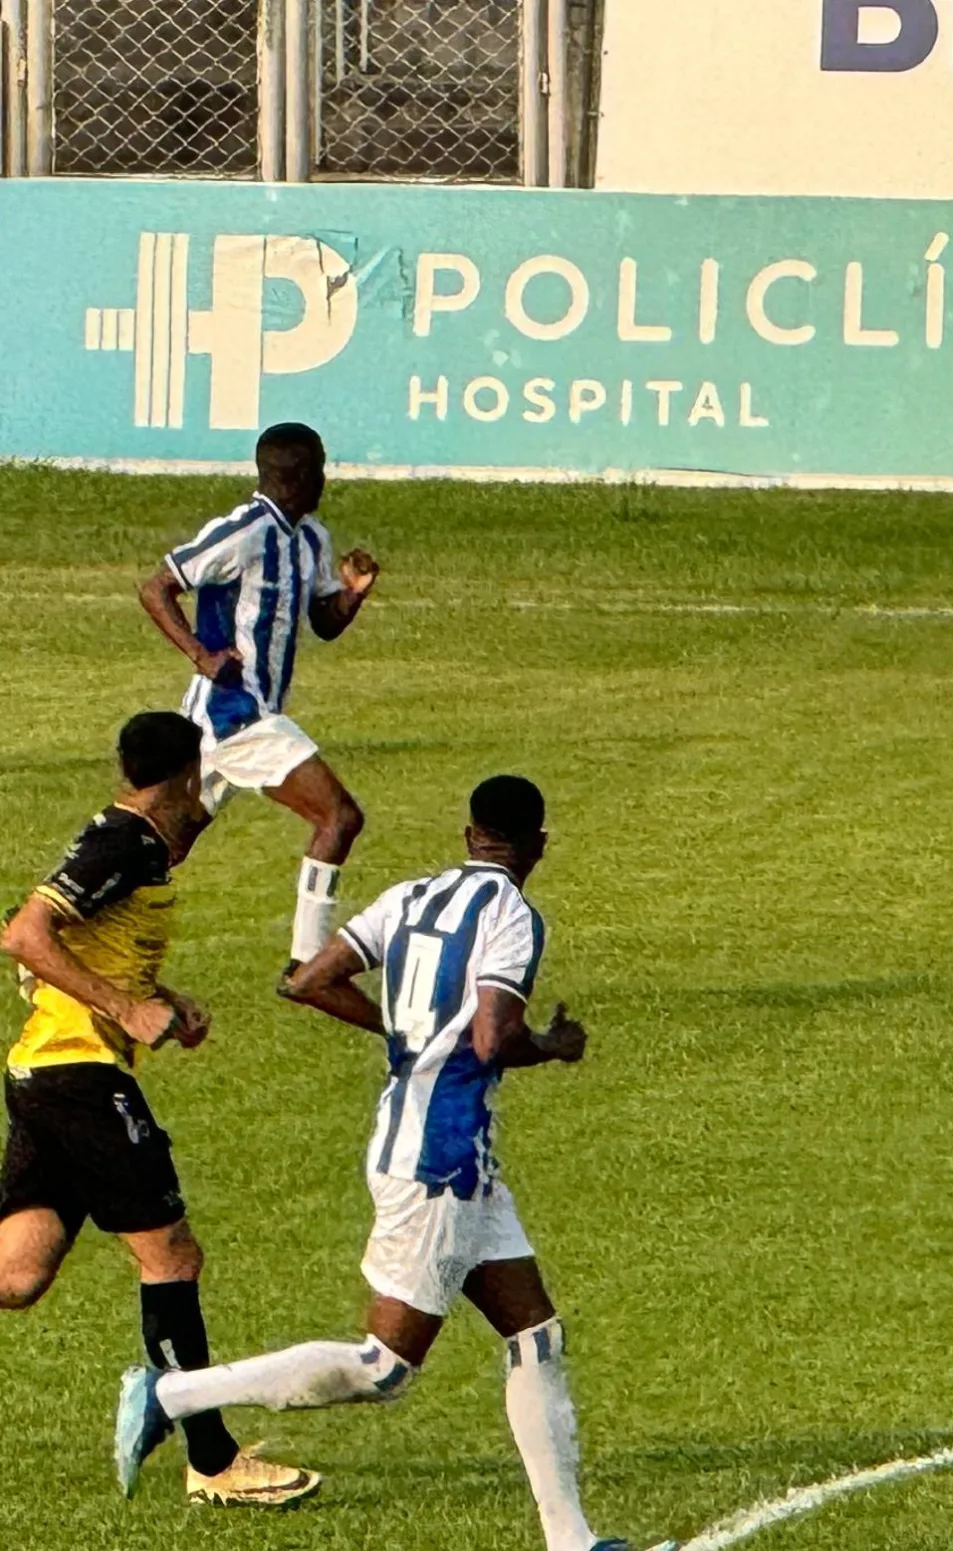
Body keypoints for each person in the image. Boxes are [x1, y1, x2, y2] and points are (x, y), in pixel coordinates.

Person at [115, 778, 649, 1551]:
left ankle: (572, 1540)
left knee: (535, 1335)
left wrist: (401, 1033)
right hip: (439, 1158)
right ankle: (173, 1391)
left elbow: (307, 979)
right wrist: (553, 1046)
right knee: (385, 1366)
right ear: (537, 844)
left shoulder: (408, 895)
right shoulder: (513, 917)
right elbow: (493, 1038)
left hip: (442, 1151)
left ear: (470, 835)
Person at [0, 712, 318, 1507]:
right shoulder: (131, 842)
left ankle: (206, 1449)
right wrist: (126, 1008)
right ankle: (211, 1459)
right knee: (171, 1255)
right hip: (78, 1079)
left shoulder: (118, 834)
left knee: (18, 1272)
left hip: (45, 1072)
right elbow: (26, 936)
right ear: (186, 774)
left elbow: (64, 947)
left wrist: (159, 998)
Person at [139, 421, 379, 974]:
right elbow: (157, 588)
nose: (326, 478)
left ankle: (67, 913)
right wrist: (201, 655)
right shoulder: (241, 532)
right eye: (320, 467)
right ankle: (307, 963)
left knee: (167, 842)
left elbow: (323, 622)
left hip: (244, 717)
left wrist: (352, 595)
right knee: (338, 818)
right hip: (234, 715)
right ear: (296, 477)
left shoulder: (311, 536)